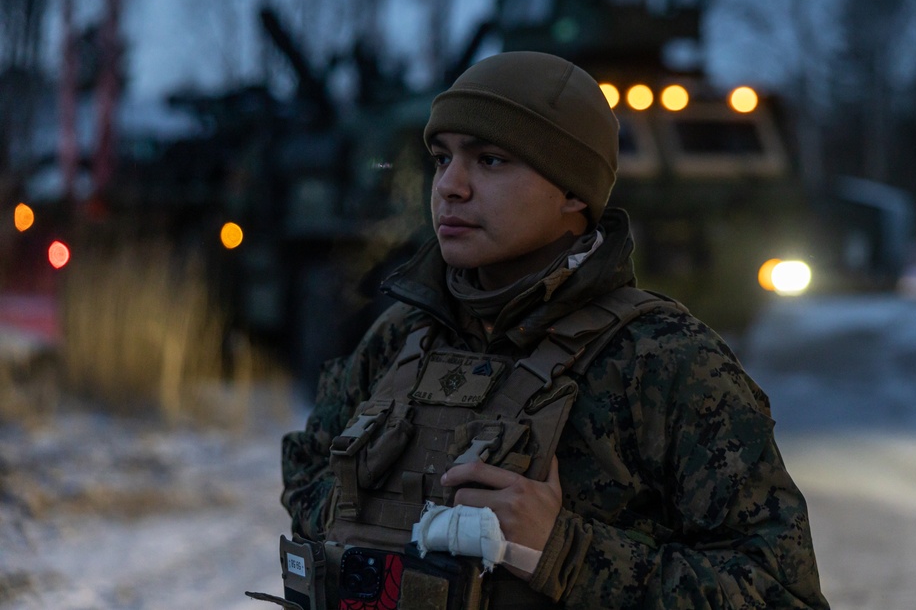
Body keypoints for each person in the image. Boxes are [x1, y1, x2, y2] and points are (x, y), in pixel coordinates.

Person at [280, 51, 829, 609]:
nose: (450, 186)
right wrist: (373, 515)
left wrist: (563, 552)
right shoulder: (402, 336)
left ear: (572, 192)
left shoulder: (664, 362)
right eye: (443, 159)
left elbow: (780, 594)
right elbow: (305, 468)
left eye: (490, 160)